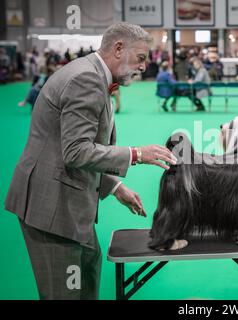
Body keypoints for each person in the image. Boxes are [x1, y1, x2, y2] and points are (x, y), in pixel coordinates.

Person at [4, 22, 177, 300]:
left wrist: (115, 187)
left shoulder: (96, 75)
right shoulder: (86, 79)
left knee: (88, 277)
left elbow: (73, 148)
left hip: (69, 205)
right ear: (119, 48)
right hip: (51, 208)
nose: (145, 67)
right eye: (141, 58)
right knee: (66, 294)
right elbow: (75, 151)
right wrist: (137, 154)